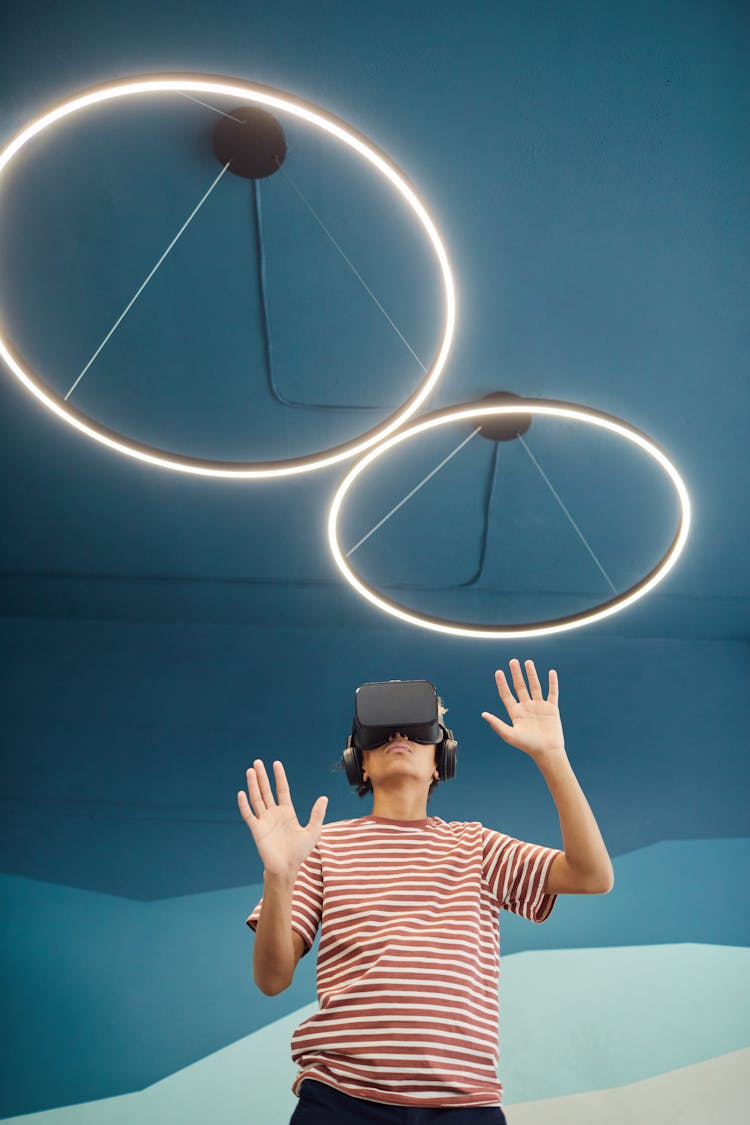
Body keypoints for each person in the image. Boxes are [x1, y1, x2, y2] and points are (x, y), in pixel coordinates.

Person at [238, 659, 614, 1124]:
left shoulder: (476, 846)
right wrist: (278, 876)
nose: (400, 737)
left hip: (463, 1105)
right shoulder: (319, 847)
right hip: (340, 1098)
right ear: (361, 762)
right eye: (382, 733)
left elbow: (592, 876)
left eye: (418, 730)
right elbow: (271, 980)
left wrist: (552, 755)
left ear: (442, 760)